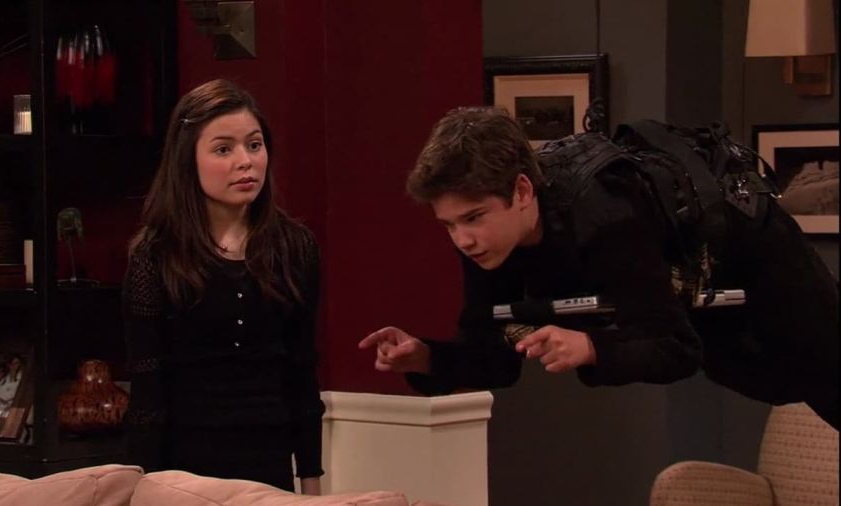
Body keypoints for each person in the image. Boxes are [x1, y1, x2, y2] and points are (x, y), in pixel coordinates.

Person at [358, 106, 839, 430]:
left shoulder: (605, 214)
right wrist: (424, 358)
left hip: (750, 240)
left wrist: (589, 347)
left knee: (825, 371)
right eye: (448, 224)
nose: (462, 239)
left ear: (521, 192)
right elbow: (495, 360)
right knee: (764, 378)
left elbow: (675, 350)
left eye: (473, 218)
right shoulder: (486, 243)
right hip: (680, 277)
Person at [123, 79, 325, 493]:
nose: (245, 162)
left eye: (254, 145)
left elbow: (302, 377)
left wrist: (312, 487)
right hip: (183, 476)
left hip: (269, 474)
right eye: (223, 149)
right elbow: (148, 394)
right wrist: (142, 489)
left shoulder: (295, 248)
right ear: (187, 160)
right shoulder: (156, 256)